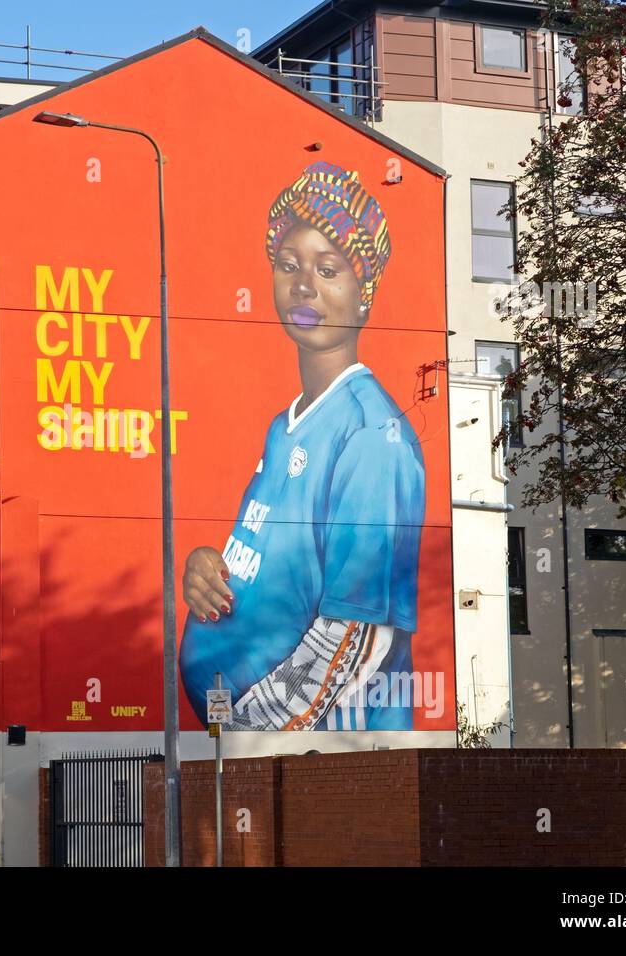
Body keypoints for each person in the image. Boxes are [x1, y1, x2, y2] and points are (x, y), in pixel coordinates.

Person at [179, 161, 425, 733]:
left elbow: (358, 635)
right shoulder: (282, 426)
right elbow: (272, 564)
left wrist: (249, 734)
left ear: (364, 296)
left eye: (329, 269)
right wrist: (204, 569)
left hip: (323, 756)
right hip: (241, 757)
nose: (304, 284)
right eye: (288, 265)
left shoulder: (370, 434)